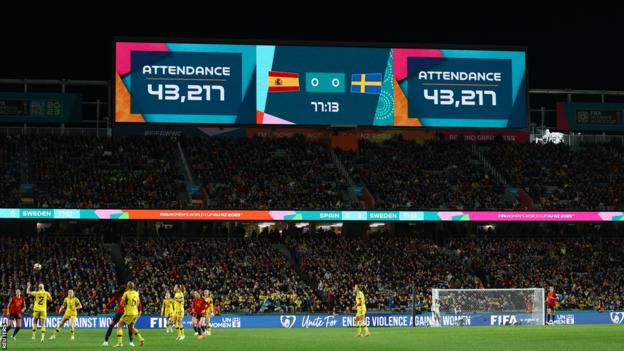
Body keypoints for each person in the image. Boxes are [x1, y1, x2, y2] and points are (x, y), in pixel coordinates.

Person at [114, 281, 144, 348]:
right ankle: (140, 338)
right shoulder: (136, 293)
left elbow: (121, 303)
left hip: (128, 313)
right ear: (133, 287)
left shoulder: (126, 293)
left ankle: (119, 343)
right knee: (131, 327)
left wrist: (125, 304)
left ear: (127, 287)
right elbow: (138, 303)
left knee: (119, 325)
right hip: (135, 313)